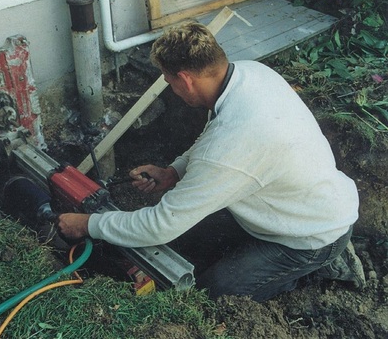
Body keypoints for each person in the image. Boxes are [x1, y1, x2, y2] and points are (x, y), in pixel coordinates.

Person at [58, 22, 365, 302]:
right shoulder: (248, 74)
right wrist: (174, 172)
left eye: (169, 82)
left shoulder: (231, 146)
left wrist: (88, 224)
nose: (172, 90)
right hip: (294, 201)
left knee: (214, 293)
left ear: (185, 80)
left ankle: (319, 269)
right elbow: (214, 137)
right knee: (188, 235)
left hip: (310, 236)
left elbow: (159, 226)